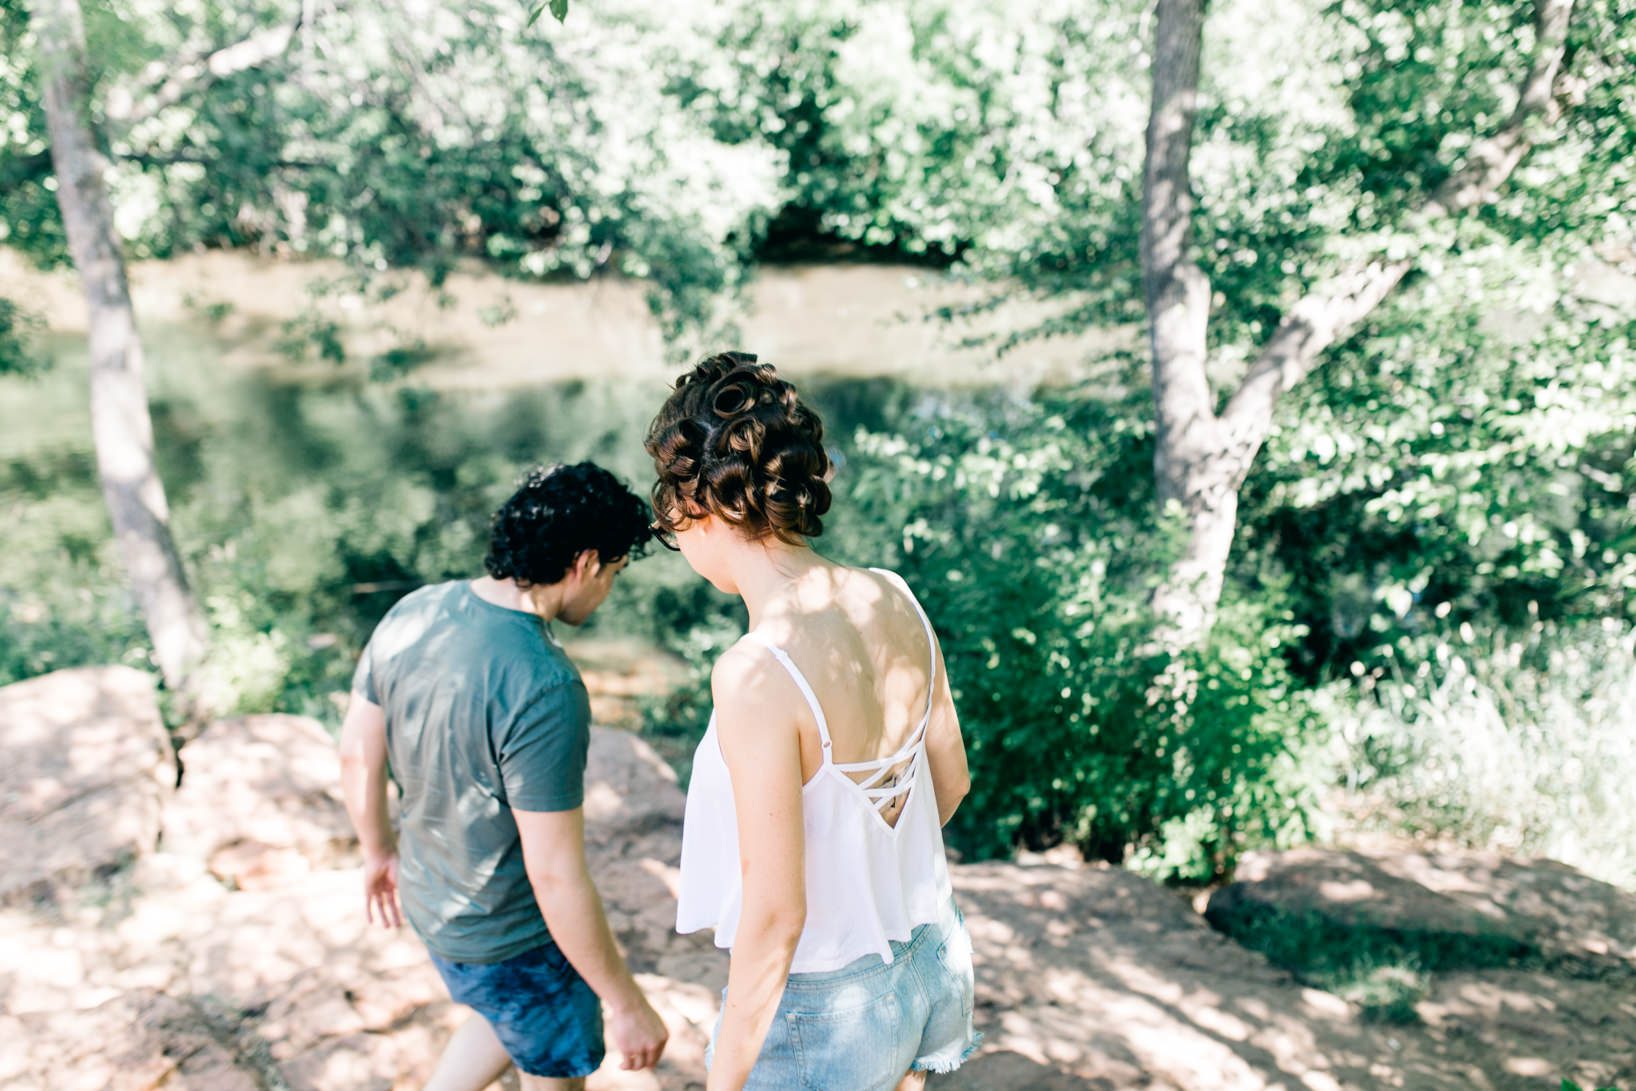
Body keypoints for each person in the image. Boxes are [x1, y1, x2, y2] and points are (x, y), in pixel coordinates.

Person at [646, 353, 980, 1091]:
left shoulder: (755, 670)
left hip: (826, 1010)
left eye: (670, 518)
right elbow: (949, 782)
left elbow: (775, 915)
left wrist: (720, 1081)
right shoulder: (894, 596)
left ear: (699, 505)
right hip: (933, 955)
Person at [338, 461, 670, 1091]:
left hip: (433, 906)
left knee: (499, 1015)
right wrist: (625, 1002)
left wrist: (377, 850)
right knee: (542, 1051)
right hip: (514, 939)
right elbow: (554, 873)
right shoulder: (545, 684)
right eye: (615, 576)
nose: (607, 594)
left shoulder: (415, 610)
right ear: (586, 563)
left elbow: (357, 751)